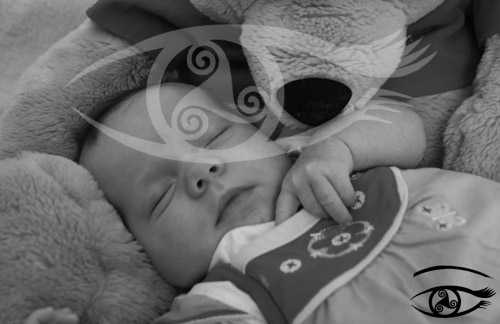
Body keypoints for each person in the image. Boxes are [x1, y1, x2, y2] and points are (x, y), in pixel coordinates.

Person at [25, 83, 500, 323]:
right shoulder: (227, 294)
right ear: (140, 251)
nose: (200, 171)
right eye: (161, 195)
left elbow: (406, 123)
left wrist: (338, 147)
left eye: (214, 137)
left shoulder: (316, 157)